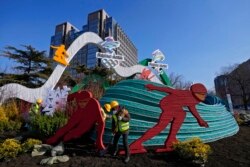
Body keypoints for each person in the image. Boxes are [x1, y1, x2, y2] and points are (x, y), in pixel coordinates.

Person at [129, 83, 209, 154]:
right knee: (161, 126)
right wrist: (154, 87)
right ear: (195, 93)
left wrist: (200, 119)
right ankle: (136, 144)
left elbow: (192, 108)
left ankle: (171, 140)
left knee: (181, 114)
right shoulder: (184, 93)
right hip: (167, 104)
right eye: (201, 94)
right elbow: (169, 90)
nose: (202, 96)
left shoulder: (194, 100)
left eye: (204, 94)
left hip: (176, 106)